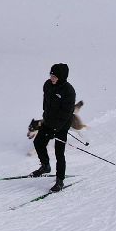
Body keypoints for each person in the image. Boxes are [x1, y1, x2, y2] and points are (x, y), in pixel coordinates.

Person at [29, 63, 76, 191]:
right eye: (51, 75)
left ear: (61, 77)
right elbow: (46, 104)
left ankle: (60, 180)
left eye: (54, 76)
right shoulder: (47, 85)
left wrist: (56, 129)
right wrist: (46, 118)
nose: (51, 78)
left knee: (59, 153)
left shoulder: (69, 91)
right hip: (49, 122)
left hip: (62, 125)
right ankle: (45, 166)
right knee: (38, 142)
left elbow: (66, 113)